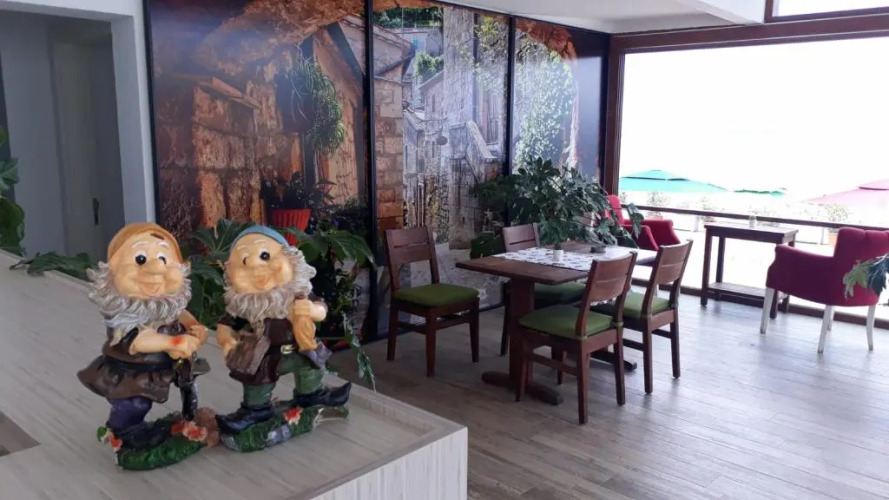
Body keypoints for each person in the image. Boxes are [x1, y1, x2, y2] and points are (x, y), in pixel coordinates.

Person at [77, 223, 209, 449]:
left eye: (164, 258)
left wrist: (195, 327)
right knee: (135, 404)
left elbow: (180, 314)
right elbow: (139, 341)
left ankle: (186, 420)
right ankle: (122, 433)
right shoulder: (125, 315)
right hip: (129, 373)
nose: (157, 268)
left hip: (163, 368)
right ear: (112, 272)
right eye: (140, 259)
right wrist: (174, 342)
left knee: (187, 388)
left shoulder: (166, 304)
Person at [215, 226, 350, 435]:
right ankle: (255, 410)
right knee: (257, 382)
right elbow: (226, 325)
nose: (255, 266)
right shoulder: (245, 305)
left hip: (300, 348)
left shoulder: (298, 294)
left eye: (265, 255)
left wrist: (313, 310)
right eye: (244, 261)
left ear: (290, 259)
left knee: (311, 368)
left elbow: (321, 310)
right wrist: (226, 340)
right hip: (263, 355)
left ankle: (311, 395)